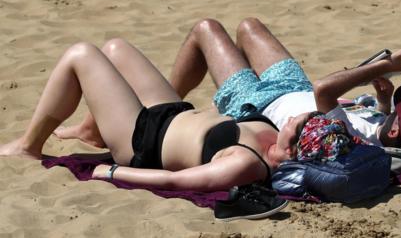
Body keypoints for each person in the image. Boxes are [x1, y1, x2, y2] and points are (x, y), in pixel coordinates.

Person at [55, 18, 401, 151]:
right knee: (248, 27)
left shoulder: (350, 138)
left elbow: (325, 91)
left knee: (205, 30)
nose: (397, 108)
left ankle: (153, 111)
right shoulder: (382, 130)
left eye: (399, 113)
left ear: (396, 130)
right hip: (292, 85)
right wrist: (384, 98)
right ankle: (101, 124)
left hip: (258, 104)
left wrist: (383, 65)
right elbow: (381, 125)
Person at [0, 38, 307, 194]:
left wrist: (111, 173)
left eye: (299, 127)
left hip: (141, 142)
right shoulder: (276, 131)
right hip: (171, 112)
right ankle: (91, 131)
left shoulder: (245, 163)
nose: (295, 119)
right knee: (115, 48)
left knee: (81, 54)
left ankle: (28, 145)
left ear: (292, 149)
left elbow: (175, 181)